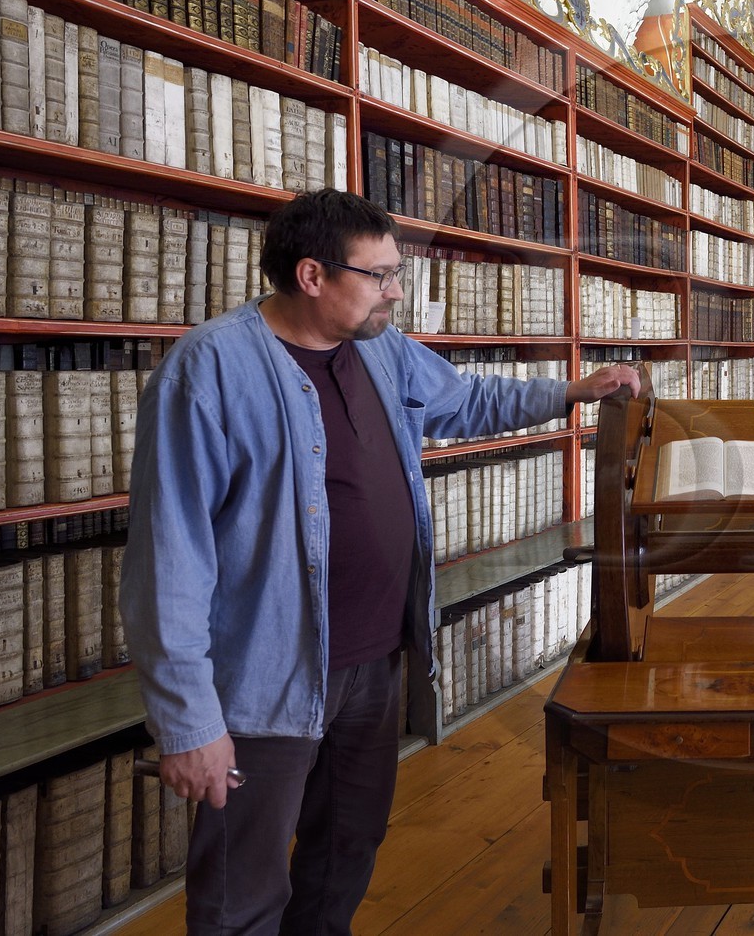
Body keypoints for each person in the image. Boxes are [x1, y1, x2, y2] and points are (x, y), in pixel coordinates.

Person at [119, 188, 640, 934]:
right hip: (266, 679)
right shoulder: (209, 371)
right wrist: (188, 723)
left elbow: (463, 402)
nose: (396, 290)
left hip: (375, 662)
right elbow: (166, 561)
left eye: (398, 272)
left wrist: (570, 392)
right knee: (243, 889)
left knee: (347, 851)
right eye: (381, 274)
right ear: (312, 277)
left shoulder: (378, 348)